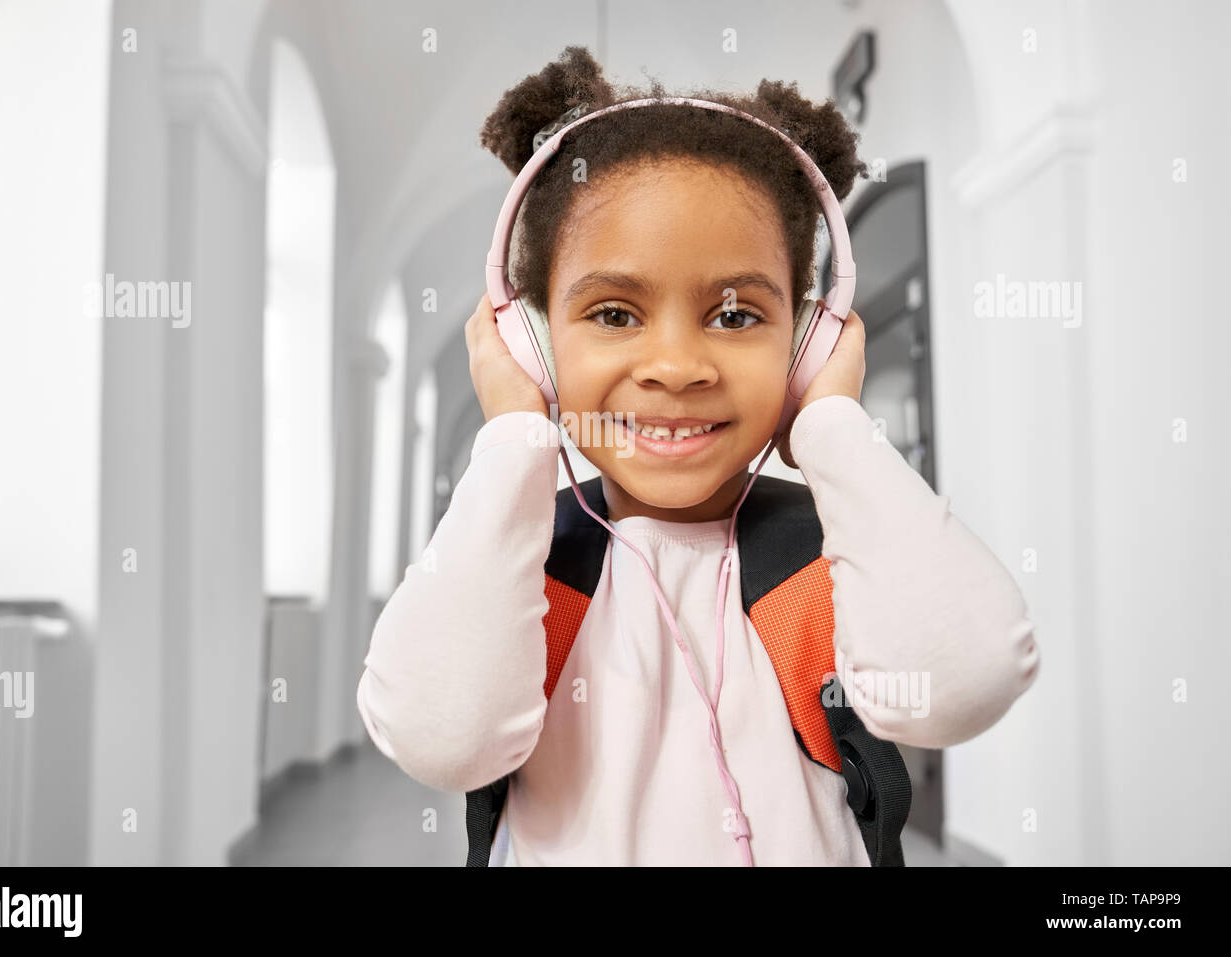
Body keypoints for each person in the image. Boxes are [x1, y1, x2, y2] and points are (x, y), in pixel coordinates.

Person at [357, 46, 1040, 866]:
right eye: (613, 314)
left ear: (806, 341)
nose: (676, 366)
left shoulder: (829, 562)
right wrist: (514, 435)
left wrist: (829, 424)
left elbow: (967, 679)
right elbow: (442, 735)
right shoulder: (527, 573)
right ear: (532, 343)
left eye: (737, 315)